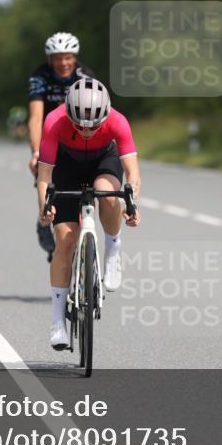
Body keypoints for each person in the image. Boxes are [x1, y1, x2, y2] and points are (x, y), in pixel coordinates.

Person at [35, 77, 141, 350]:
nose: (85, 130)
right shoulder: (54, 121)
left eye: (93, 126)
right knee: (65, 241)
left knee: (107, 193)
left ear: (104, 116)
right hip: (66, 165)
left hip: (103, 161)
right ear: (68, 114)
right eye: (78, 124)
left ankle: (113, 247)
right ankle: (58, 323)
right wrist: (45, 206)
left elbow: (133, 173)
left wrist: (132, 204)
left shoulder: (118, 121)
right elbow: (44, 174)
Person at [27, 32, 94, 261]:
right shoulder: (40, 76)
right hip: (50, 133)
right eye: (57, 58)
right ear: (50, 59)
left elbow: (94, 110)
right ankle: (45, 217)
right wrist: (36, 152)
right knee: (45, 175)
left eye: (67, 57)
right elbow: (36, 118)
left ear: (74, 58)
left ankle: (86, 228)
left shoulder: (84, 75)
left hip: (79, 134)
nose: (63, 63)